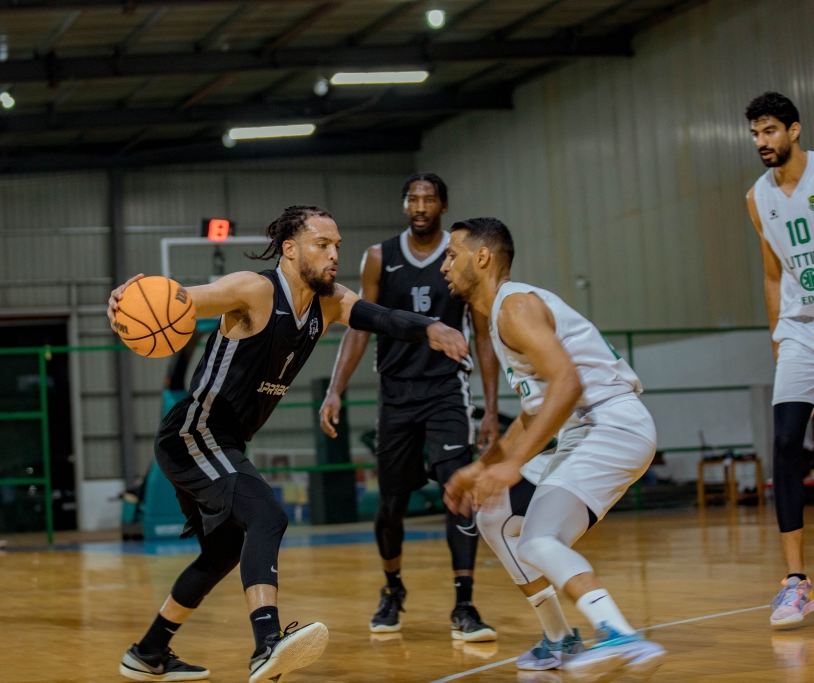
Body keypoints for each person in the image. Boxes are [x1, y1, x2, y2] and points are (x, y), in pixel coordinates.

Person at [107, 205, 469, 682]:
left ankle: (149, 651)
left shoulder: (329, 301)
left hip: (226, 441)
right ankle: (267, 645)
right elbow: (184, 299)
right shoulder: (253, 290)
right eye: (323, 245)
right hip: (191, 434)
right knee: (268, 515)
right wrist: (131, 298)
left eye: (337, 245)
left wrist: (431, 328)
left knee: (223, 552)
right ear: (291, 249)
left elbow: (381, 318)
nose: (335, 254)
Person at [441, 218, 666, 679]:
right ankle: (559, 638)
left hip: (610, 424)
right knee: (494, 513)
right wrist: (483, 467)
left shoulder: (515, 308)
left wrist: (515, 464)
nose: (444, 266)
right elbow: (533, 411)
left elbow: (568, 383)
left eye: (451, 254)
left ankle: (619, 634)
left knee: (540, 538)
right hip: (588, 427)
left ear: (481, 257)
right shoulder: (502, 313)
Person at [318, 173, 500, 639]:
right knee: (391, 504)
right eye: (413, 199)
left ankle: (464, 605)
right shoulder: (380, 256)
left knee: (459, 495)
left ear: (443, 205)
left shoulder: (460, 257)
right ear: (404, 205)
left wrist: (492, 409)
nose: (420, 206)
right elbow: (359, 325)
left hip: (446, 391)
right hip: (396, 393)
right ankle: (392, 588)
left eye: (430, 199)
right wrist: (335, 388)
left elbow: (482, 336)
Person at [744, 91, 814, 629]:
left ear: (793, 130)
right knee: (786, 442)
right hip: (797, 330)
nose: (761, 142)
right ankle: (795, 583)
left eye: (769, 131)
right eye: (754, 134)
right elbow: (773, 273)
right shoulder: (757, 197)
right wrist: (776, 338)